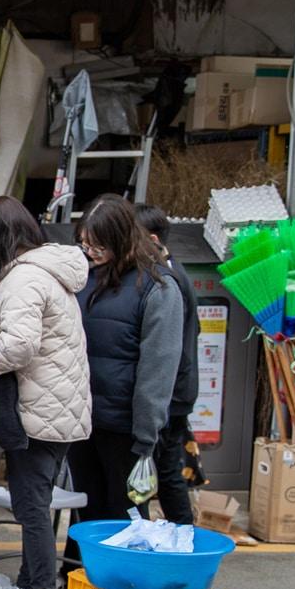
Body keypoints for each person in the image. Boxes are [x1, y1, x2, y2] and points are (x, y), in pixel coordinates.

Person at [0, 196, 92, 589]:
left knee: (32, 510)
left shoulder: (24, 279)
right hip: (57, 408)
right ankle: (29, 588)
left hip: (40, 411)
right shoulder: (46, 272)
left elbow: (19, 345)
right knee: (34, 505)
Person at [64, 194, 185, 570]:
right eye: (84, 242)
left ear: (121, 238)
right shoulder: (83, 279)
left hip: (127, 428)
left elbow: (158, 369)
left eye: (98, 243)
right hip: (82, 419)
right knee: (85, 507)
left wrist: (147, 436)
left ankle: (120, 584)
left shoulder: (157, 287)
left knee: (124, 513)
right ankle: (78, 581)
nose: (90, 251)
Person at [134, 203, 200, 524]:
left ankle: (182, 537)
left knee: (164, 471)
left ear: (152, 237)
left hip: (172, 392)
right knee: (165, 470)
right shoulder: (166, 271)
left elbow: (175, 348)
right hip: (175, 390)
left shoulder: (169, 279)